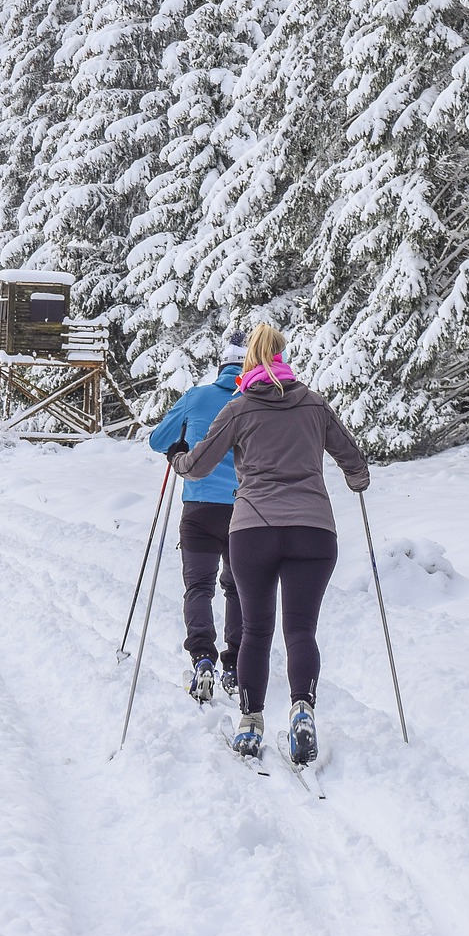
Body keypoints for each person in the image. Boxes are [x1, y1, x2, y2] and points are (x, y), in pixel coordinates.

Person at [170, 322, 369, 767]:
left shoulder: (239, 409)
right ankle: (302, 709)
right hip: (314, 530)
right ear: (283, 356)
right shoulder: (315, 405)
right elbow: (353, 459)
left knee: (257, 631)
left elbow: (200, 464)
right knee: (301, 631)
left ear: (249, 363)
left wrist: (179, 461)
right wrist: (357, 480)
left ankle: (250, 723)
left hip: (254, 530)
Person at [147, 331, 247, 703]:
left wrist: (181, 445)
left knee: (199, 588)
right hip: (245, 510)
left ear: (220, 367)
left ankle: (202, 658)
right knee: (237, 588)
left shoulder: (197, 397)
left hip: (200, 508)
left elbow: (158, 440)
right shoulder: (254, 399)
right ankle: (235, 664)